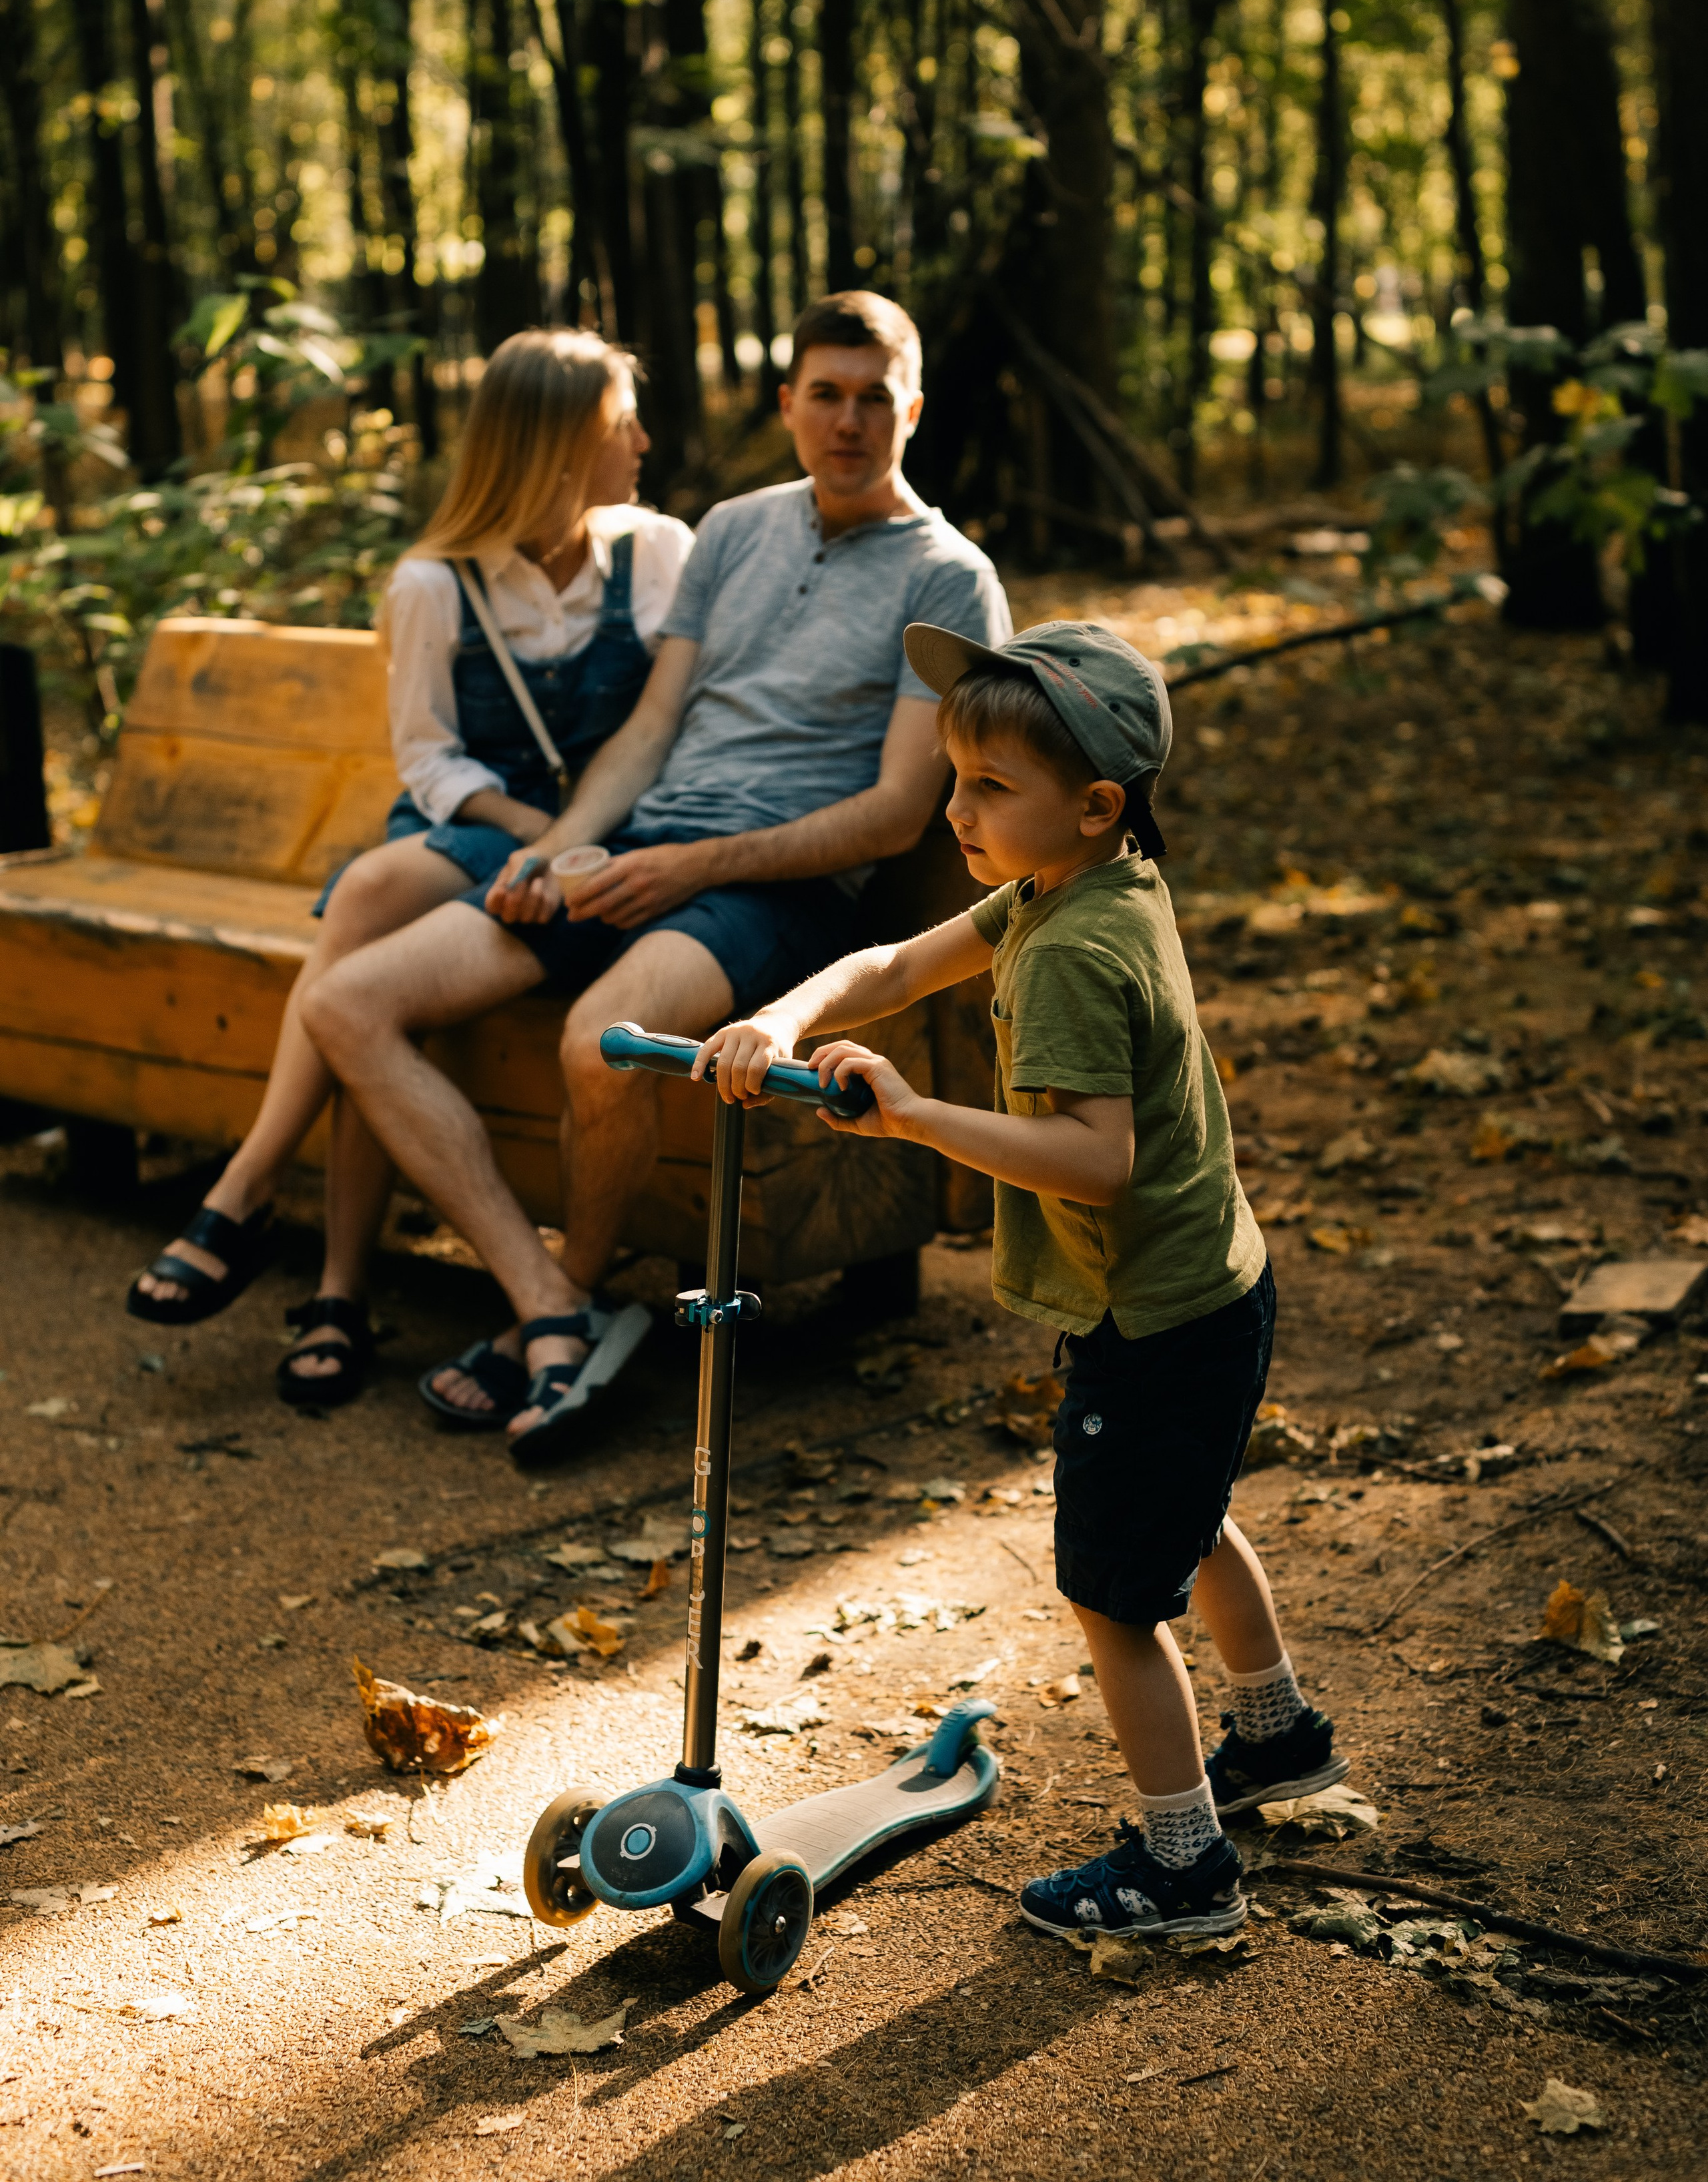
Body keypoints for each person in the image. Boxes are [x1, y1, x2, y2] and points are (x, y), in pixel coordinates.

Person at [693, 617, 1348, 1941]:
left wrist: (913, 1118)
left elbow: (1093, 1161)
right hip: (1211, 1291)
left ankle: (1184, 1870)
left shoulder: (1065, 952)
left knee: (1113, 1598)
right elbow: (886, 964)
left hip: (1155, 1319)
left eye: (990, 787)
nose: (957, 810)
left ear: (1094, 803)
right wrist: (786, 1018)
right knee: (1187, 1517)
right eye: (955, 776)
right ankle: (1277, 1740)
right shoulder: (1084, 885)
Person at [298, 291, 1011, 1466]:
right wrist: (562, 846)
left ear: (913, 408)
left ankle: (568, 1294)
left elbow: (892, 815)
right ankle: (549, 1305)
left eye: (873, 397)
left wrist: (693, 862)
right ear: (786, 405)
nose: (848, 422)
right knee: (347, 1002)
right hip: (641, 852)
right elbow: (652, 725)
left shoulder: (949, 576)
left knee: (599, 1042)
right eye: (823, 396)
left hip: (773, 888)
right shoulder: (732, 529)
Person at [127, 330, 693, 1415]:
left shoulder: (655, 549)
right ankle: (306, 1250)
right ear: (563, 447)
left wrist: (574, 838)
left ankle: (292, 1242)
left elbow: (672, 721)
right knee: (377, 893)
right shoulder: (434, 584)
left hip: (606, 835)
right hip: (483, 821)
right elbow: (430, 758)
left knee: (366, 911)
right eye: (625, 423)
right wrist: (531, 828)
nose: (645, 443)